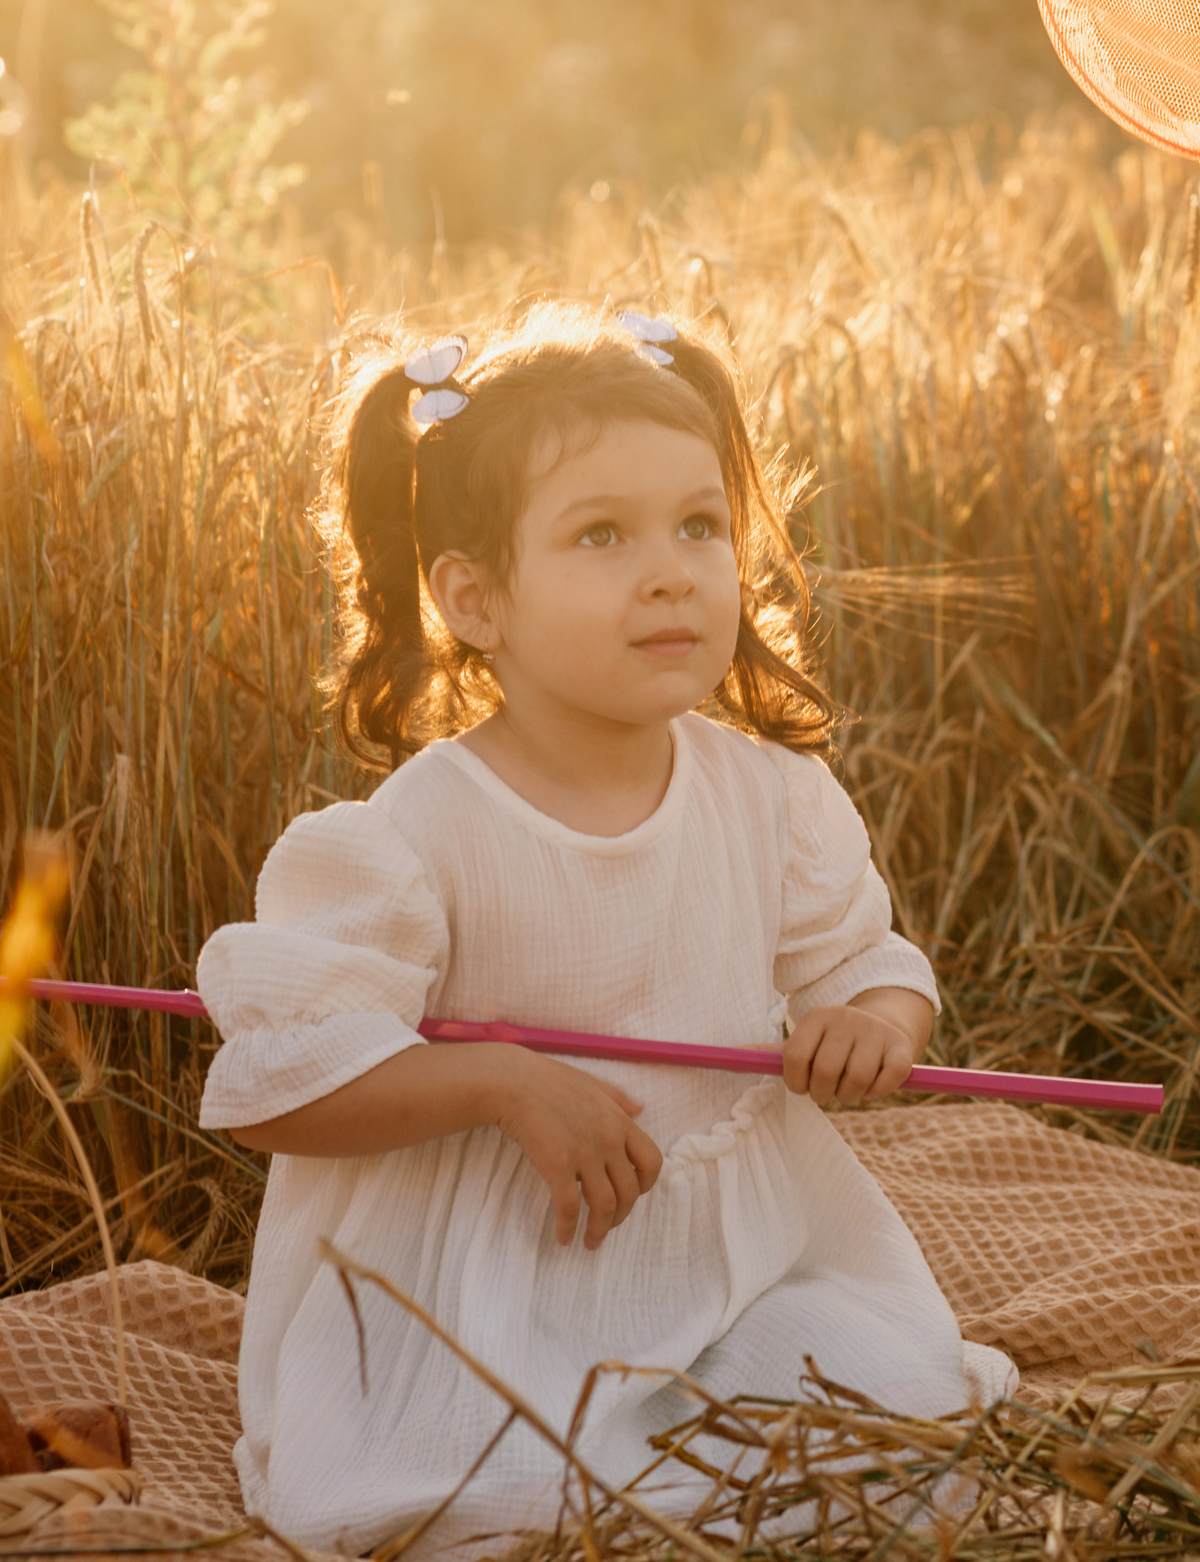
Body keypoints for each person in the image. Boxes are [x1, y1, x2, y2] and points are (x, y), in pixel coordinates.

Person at [194, 303, 1013, 1557]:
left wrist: (873, 1022)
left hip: (732, 1265)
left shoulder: (769, 799)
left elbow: (864, 962)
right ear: (476, 598)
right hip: (498, 1290)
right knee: (512, 1498)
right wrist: (498, 1082)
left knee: (895, 1405)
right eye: (600, 535)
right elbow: (283, 1089)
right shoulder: (415, 837)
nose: (671, 571)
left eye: (699, 526)